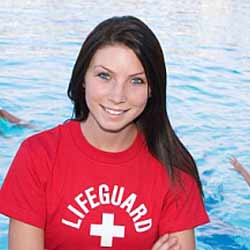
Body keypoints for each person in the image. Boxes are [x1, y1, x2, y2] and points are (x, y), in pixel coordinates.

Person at [0, 16, 209, 250]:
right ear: (82, 79)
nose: (117, 96)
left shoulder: (174, 170)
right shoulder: (38, 156)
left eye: (137, 81)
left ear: (152, 90)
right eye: (104, 76)